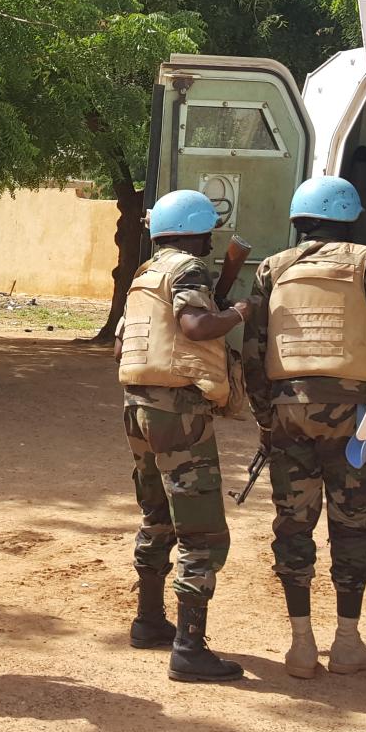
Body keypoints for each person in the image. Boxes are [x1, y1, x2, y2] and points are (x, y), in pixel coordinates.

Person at [242, 176, 366, 679]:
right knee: (352, 529)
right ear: (348, 218)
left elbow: (254, 351)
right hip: (354, 418)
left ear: (297, 220)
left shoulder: (272, 268)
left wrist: (268, 421)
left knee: (293, 525)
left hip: (289, 414)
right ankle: (347, 643)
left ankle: (301, 647)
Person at [117, 189, 254, 683]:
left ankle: (148, 621)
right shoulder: (187, 269)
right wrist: (239, 312)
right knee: (201, 530)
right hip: (178, 411)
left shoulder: (145, 275)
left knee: (157, 514)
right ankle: (189, 648)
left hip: (137, 407)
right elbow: (196, 325)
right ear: (198, 232)